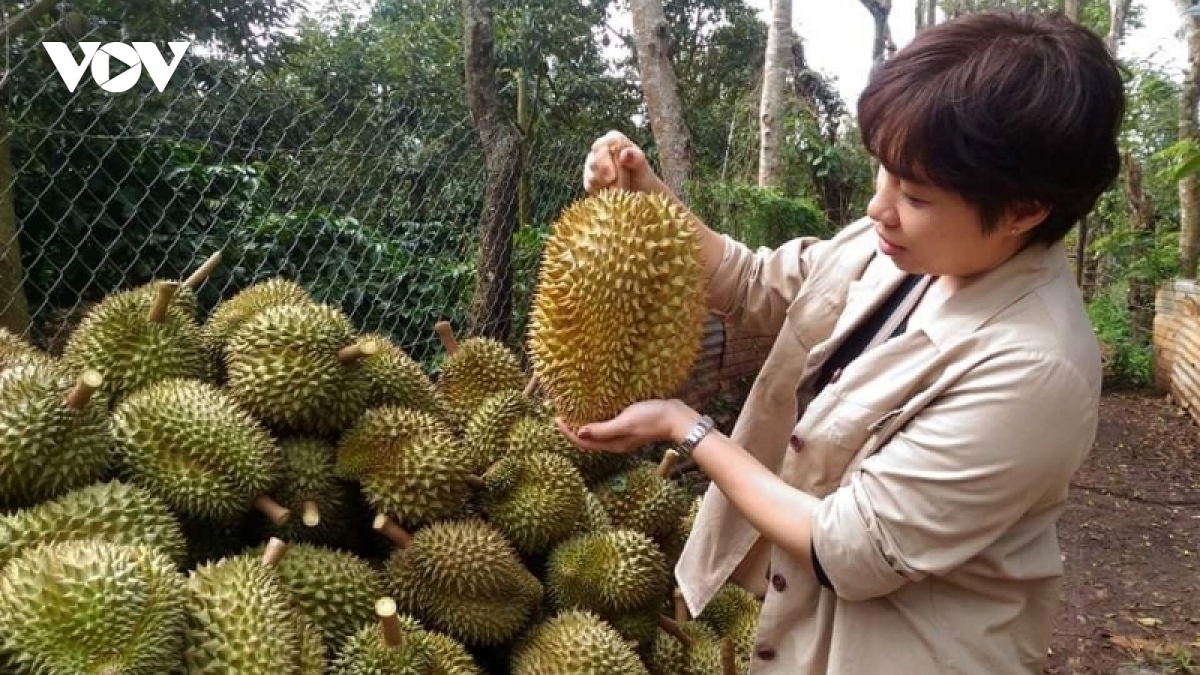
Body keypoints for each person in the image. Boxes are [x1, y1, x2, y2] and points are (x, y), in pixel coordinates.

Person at [556, 9, 1126, 675]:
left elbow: (848, 548)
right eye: (882, 171)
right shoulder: (894, 246)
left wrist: (683, 426)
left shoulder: (1034, 368)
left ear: (1025, 210)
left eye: (914, 193)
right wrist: (649, 197)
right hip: (792, 618)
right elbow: (751, 281)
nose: (877, 207)